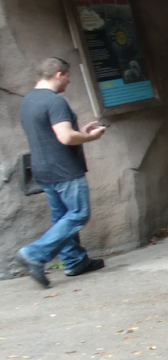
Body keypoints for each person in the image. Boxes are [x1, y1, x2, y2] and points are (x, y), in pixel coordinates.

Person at [14, 57, 107, 287]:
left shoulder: (28, 101)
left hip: (42, 169)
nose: (68, 82)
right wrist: (89, 136)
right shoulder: (55, 102)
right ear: (59, 75)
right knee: (78, 215)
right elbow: (65, 137)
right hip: (64, 169)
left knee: (61, 219)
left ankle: (74, 262)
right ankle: (34, 254)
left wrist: (79, 130)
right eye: (68, 77)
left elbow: (51, 133)